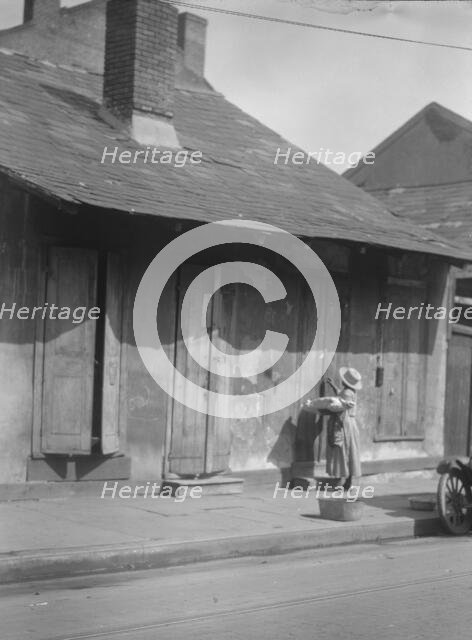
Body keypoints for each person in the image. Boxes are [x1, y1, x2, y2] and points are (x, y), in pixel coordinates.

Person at [325, 367, 362, 491]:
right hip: (351, 422)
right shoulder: (350, 392)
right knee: (351, 451)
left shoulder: (347, 393)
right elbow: (341, 394)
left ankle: (343, 479)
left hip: (346, 423)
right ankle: (348, 480)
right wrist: (333, 385)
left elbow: (341, 404)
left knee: (344, 450)